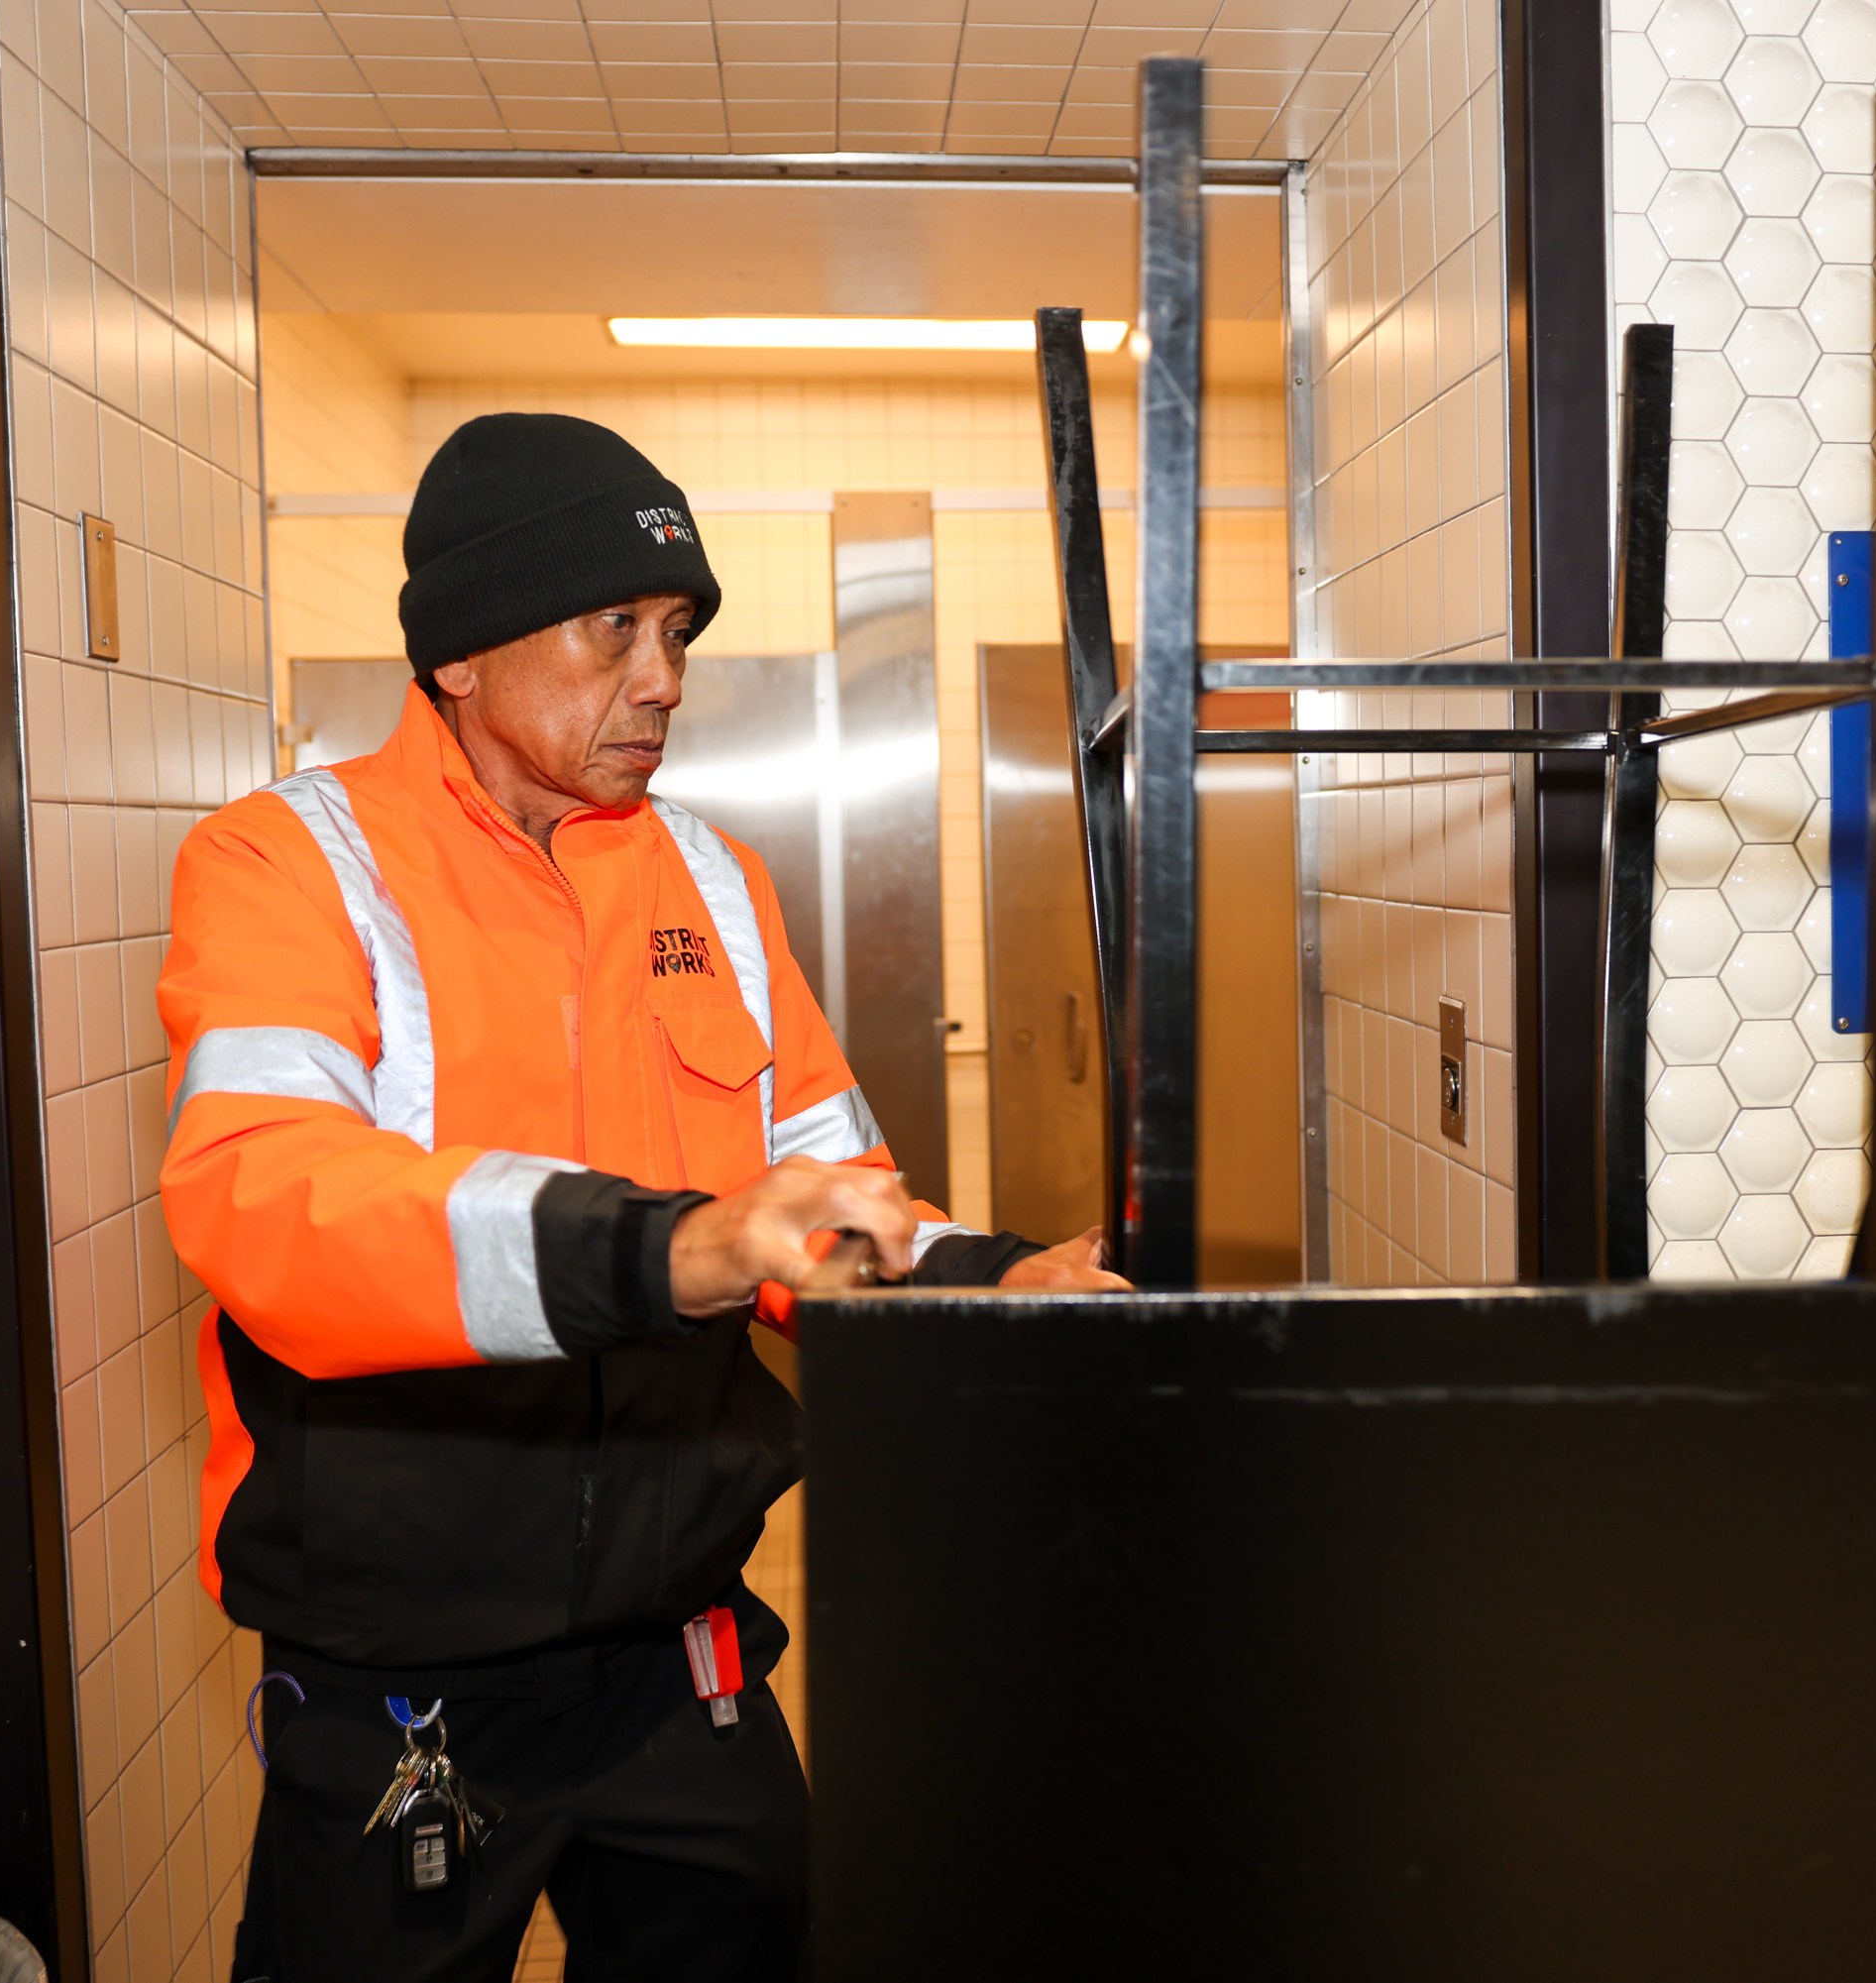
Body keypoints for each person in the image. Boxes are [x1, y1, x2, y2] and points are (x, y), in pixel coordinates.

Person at [158, 412, 1126, 1983]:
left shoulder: (713, 881)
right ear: (463, 650)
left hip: (681, 1658)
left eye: (673, 630)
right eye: (615, 625)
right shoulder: (287, 862)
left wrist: (992, 1283)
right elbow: (268, 1200)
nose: (663, 674)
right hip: (406, 1676)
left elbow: (828, 1199)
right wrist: (673, 1244)